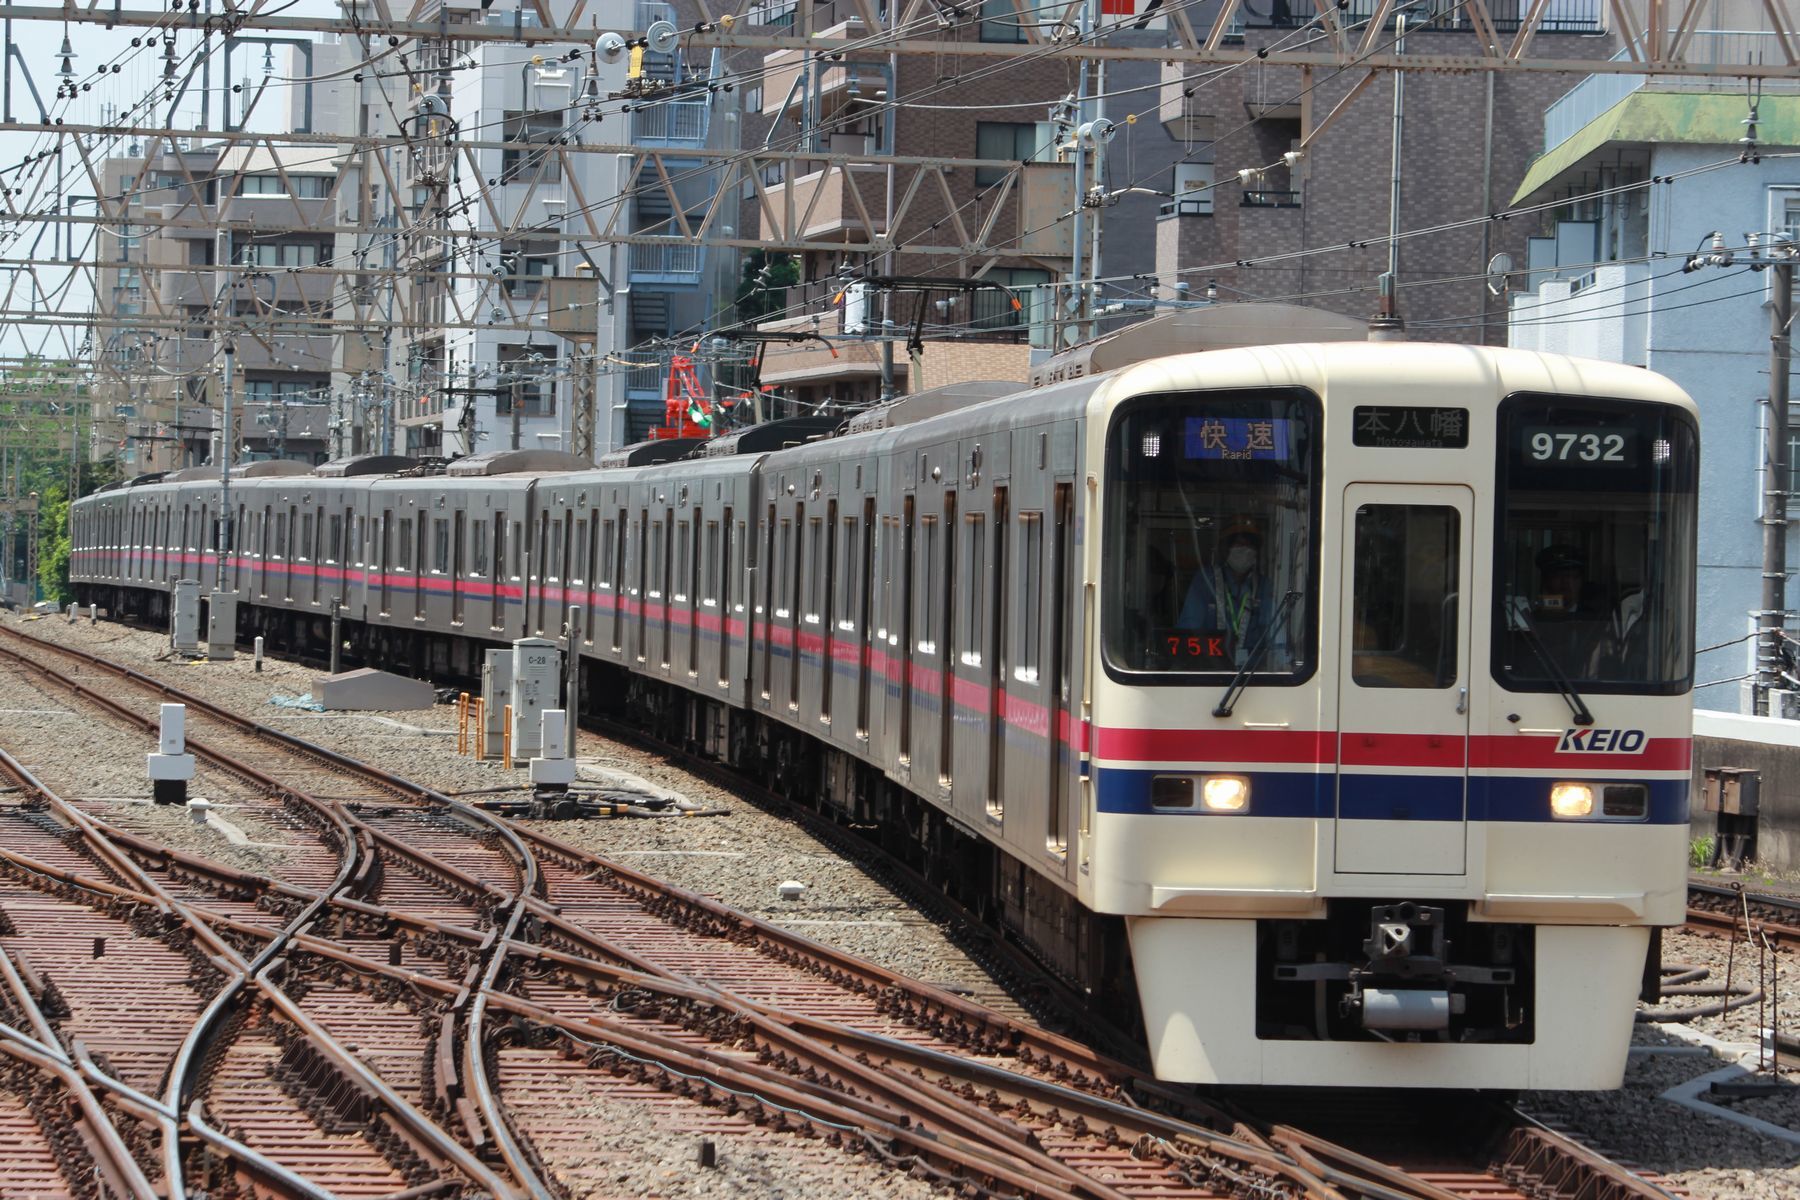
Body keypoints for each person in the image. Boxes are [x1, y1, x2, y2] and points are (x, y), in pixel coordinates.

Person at [1177, 521, 1280, 668]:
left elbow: (1275, 634)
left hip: (1252, 676)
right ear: (1225, 549)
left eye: (1249, 545)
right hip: (1208, 670)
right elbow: (1188, 630)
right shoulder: (1206, 581)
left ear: (1256, 551)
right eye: (1238, 544)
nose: (1244, 550)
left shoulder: (1265, 586)